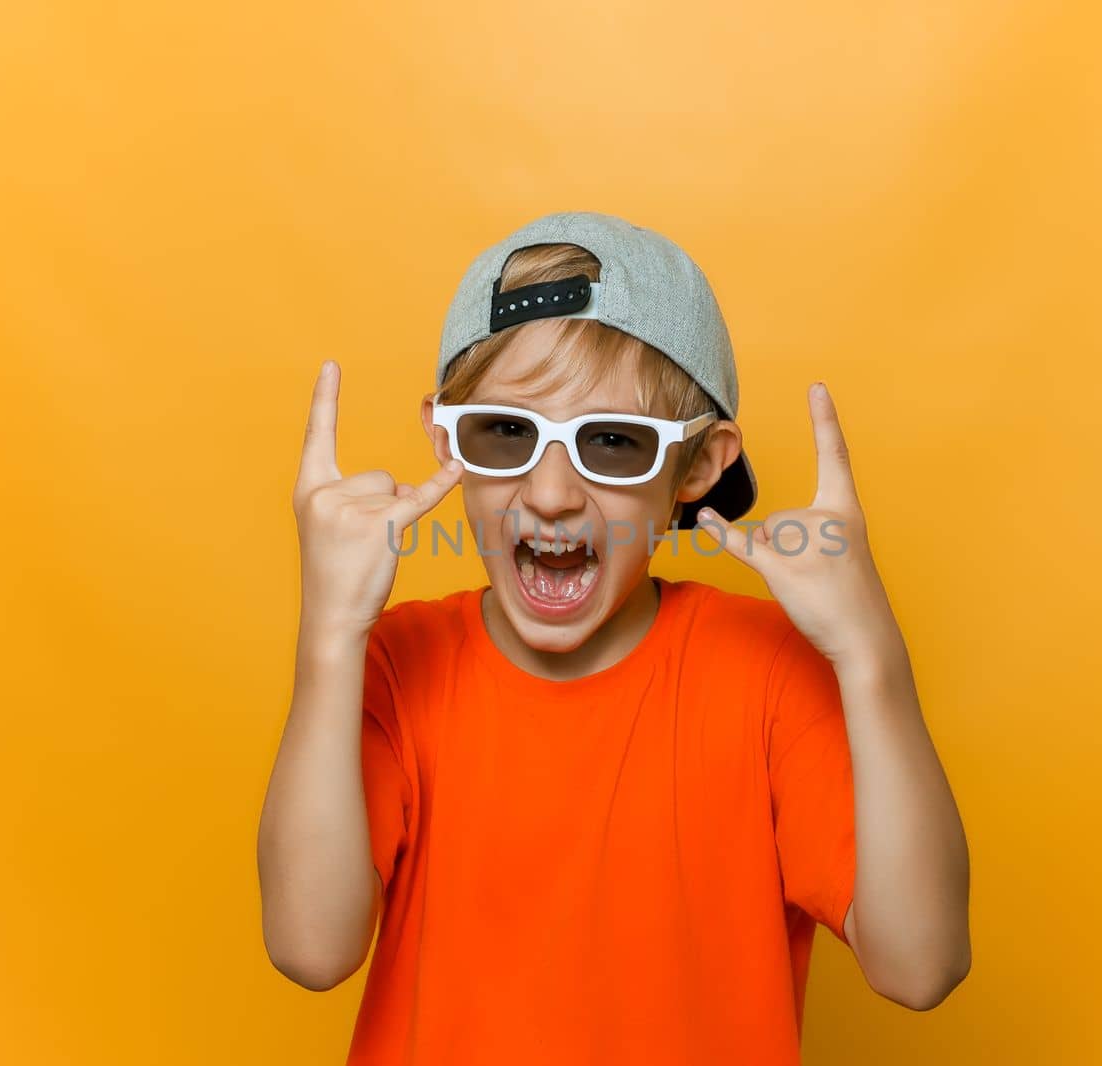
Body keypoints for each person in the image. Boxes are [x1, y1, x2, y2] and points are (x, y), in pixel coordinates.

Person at [257, 211, 971, 1064]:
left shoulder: (768, 672)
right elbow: (309, 947)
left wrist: (869, 654)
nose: (552, 493)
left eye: (614, 443)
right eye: (505, 432)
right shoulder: (393, 664)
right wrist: (331, 637)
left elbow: (921, 964)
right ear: (446, 439)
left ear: (697, 469)